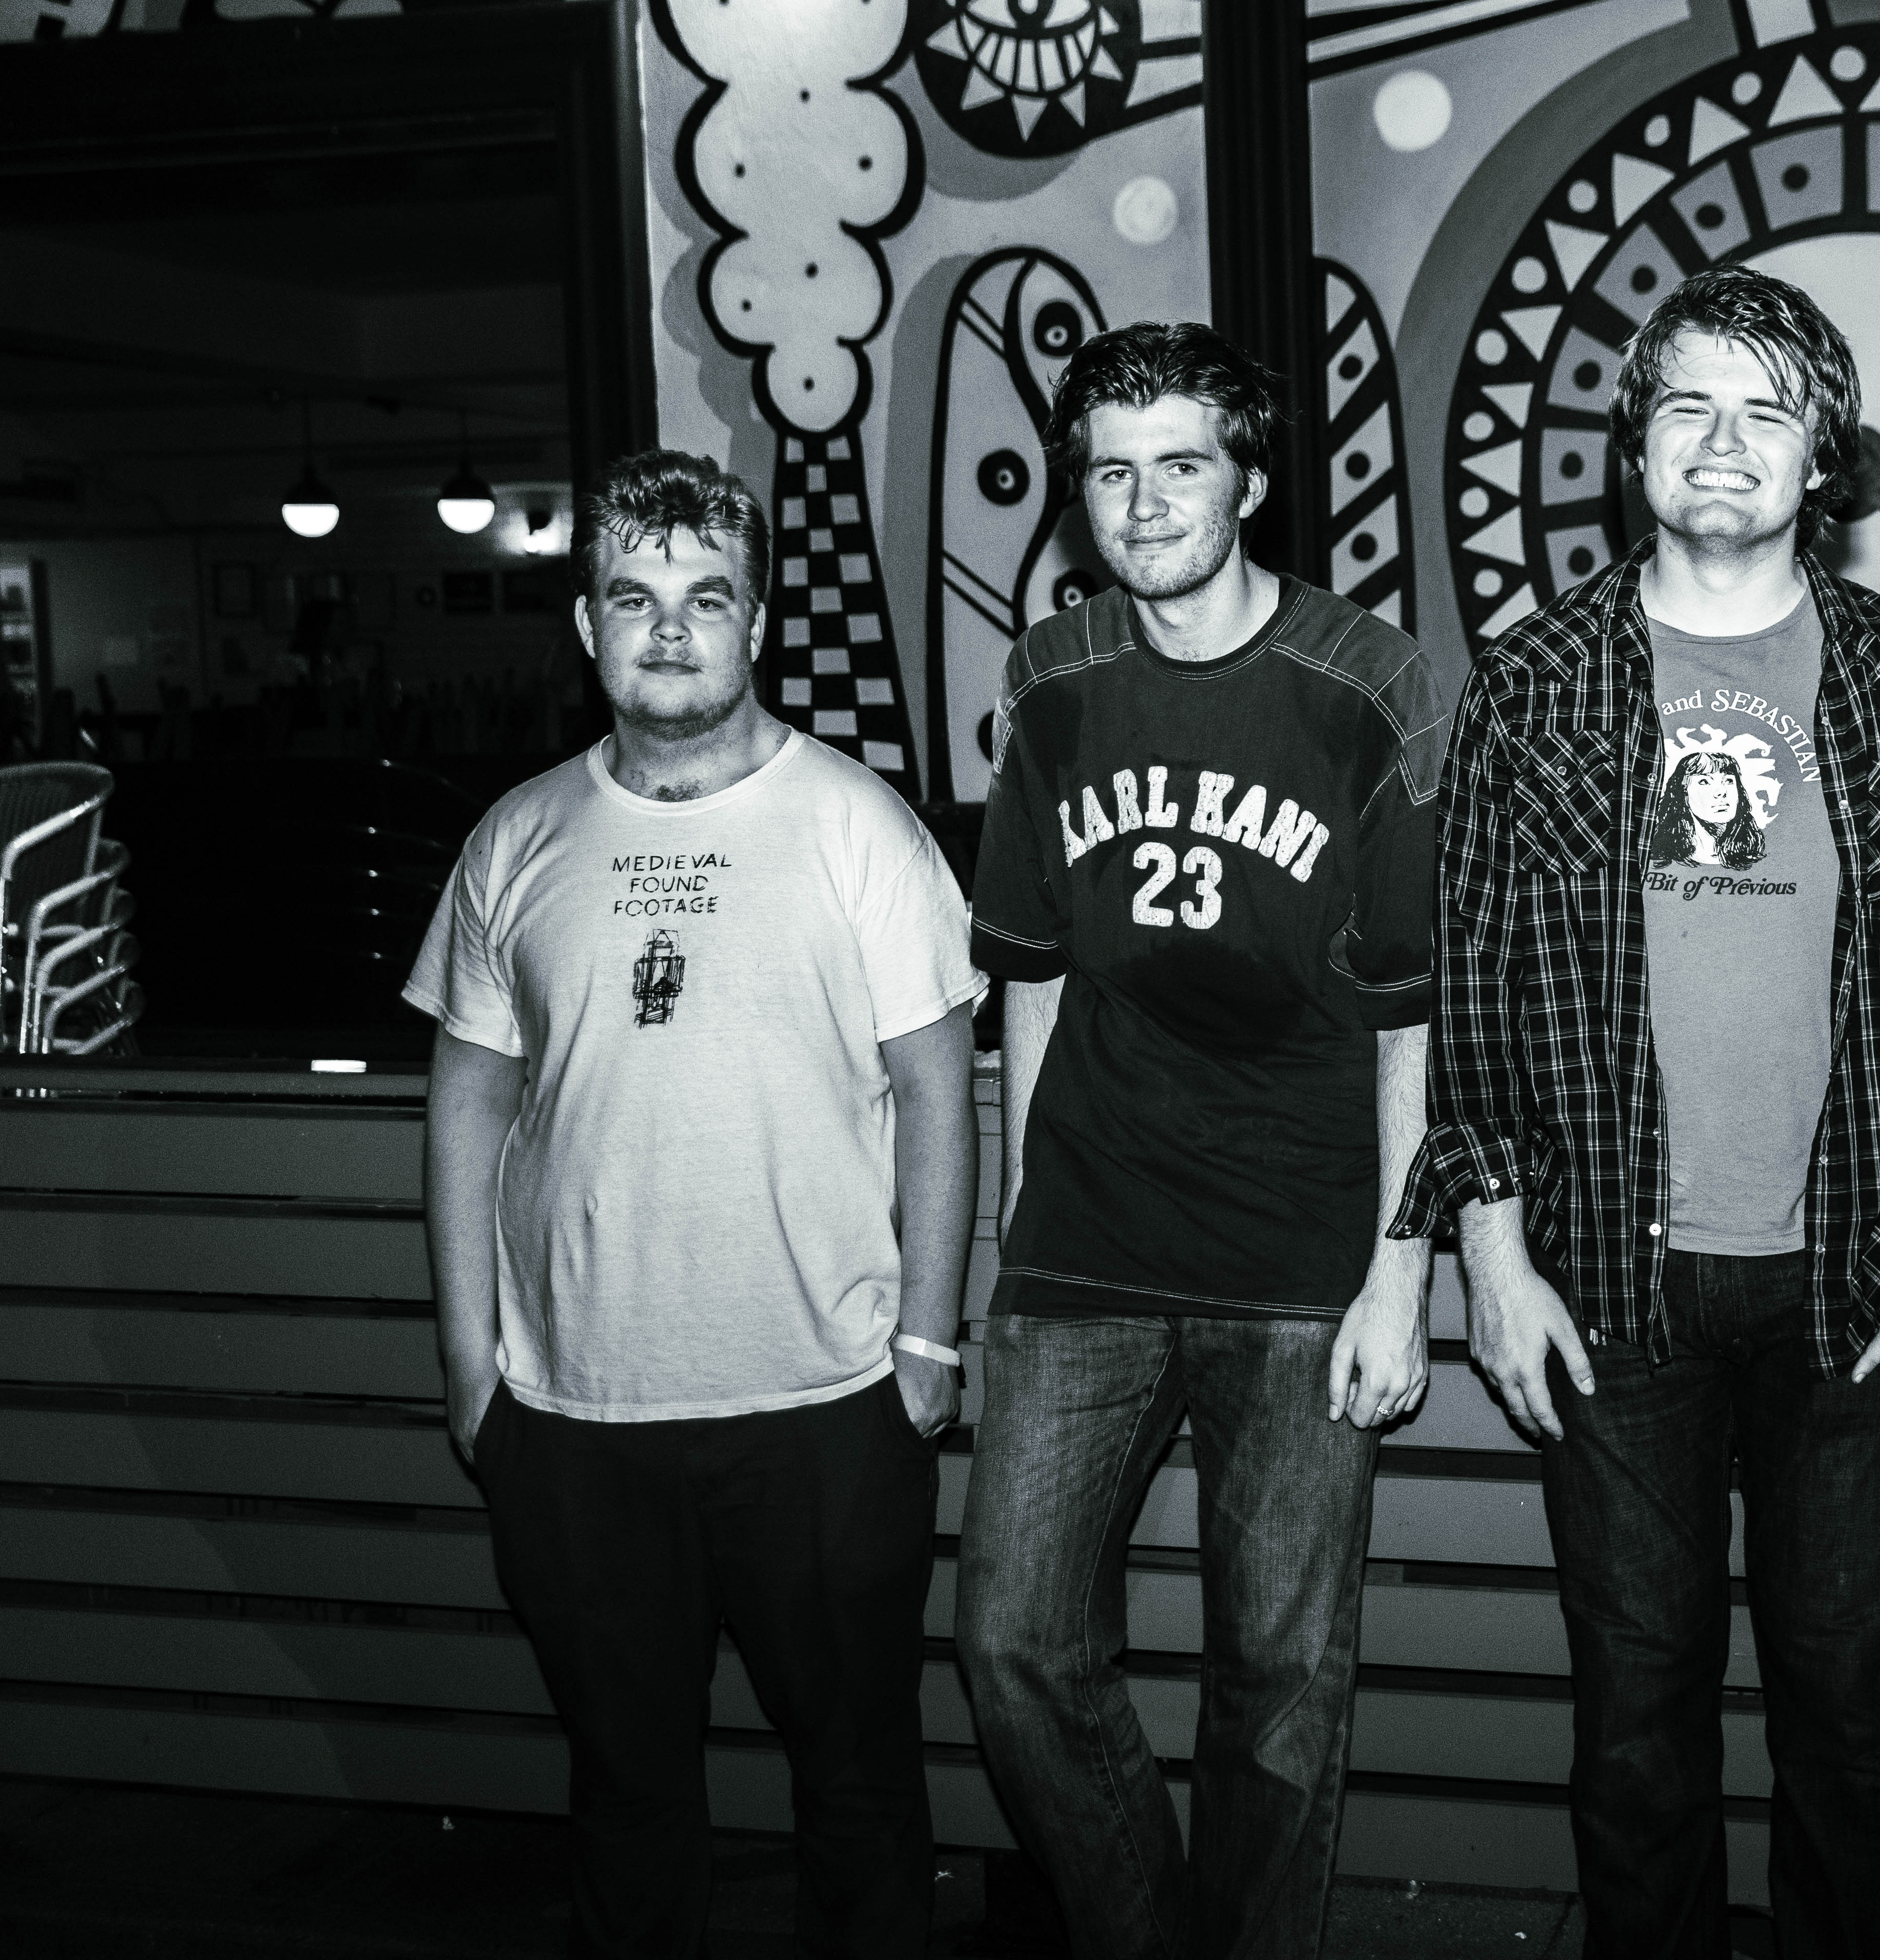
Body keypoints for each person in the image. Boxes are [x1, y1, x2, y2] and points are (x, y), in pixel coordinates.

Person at [1398, 263, 1880, 1958]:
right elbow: (1475, 990)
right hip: (1606, 1285)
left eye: (1767, 414)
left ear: (1825, 459)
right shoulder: (1533, 683)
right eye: (1688, 406)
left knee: (1853, 1728)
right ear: (1636, 441)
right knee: (1636, 1732)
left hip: (1855, 1279)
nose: (1723, 443)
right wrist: (1491, 1261)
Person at [412, 448, 983, 1957]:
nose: (670, 629)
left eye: (707, 598)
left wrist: (928, 1348)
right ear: (586, 627)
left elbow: (939, 1093)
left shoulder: (861, 826)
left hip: (827, 1409)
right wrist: (471, 1363)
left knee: (858, 1789)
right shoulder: (515, 839)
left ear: (758, 624)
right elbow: (468, 1099)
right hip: (575, 1416)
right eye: (634, 597)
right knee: (626, 1794)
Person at [954, 322, 1444, 1960]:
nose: (1146, 501)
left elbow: (1413, 1012)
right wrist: (1018, 1217)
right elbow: (1031, 972)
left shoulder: (1365, 681)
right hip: (1087, 1243)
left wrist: (1399, 1273)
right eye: (1111, 471)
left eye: (1182, 464)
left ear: (1249, 480)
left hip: (1304, 1254)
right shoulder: (1051, 676)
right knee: (1013, 1645)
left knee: (1281, 1689)